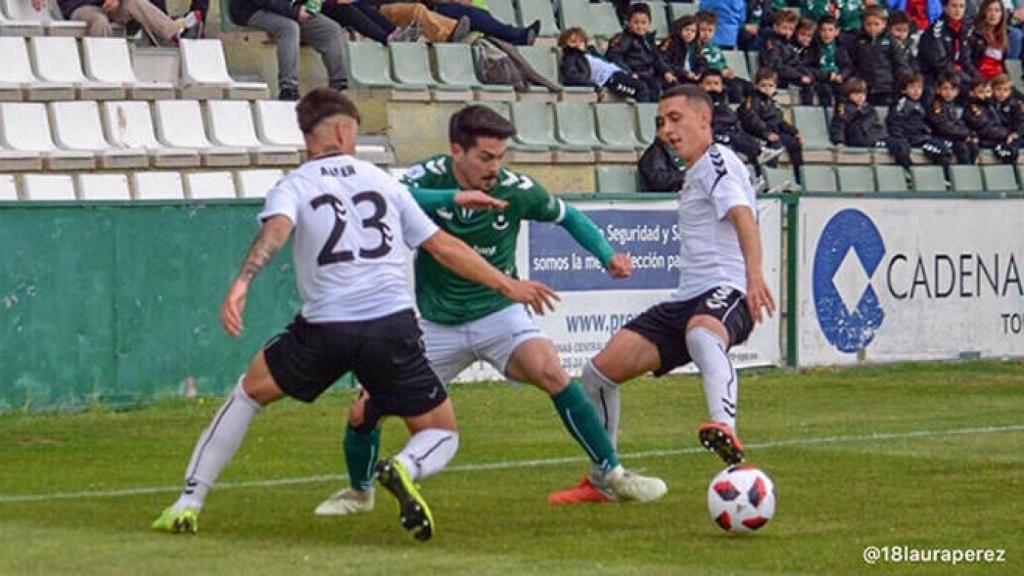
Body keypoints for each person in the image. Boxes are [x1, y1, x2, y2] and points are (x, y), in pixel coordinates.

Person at [150, 90, 557, 541]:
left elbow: (276, 231)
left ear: (309, 137)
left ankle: (189, 501)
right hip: (392, 325)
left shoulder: (296, 184)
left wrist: (244, 281)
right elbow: (442, 247)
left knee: (247, 396)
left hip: (326, 328)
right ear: (346, 131)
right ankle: (404, 465)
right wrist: (507, 284)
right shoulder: (383, 181)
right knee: (442, 432)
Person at [314, 105, 669, 514]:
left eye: (501, 156)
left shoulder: (515, 188)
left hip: (499, 313)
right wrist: (453, 197)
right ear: (456, 151)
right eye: (485, 157)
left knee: (551, 370)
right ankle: (360, 493)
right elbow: (388, 197)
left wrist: (607, 256)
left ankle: (611, 473)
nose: (495, 167)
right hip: (437, 324)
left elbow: (567, 216)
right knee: (366, 407)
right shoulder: (426, 178)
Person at [548, 84, 776, 504]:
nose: (666, 129)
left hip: (726, 291)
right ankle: (603, 480)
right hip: (687, 298)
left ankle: (723, 426)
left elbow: (743, 216)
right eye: (660, 122)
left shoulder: (718, 160)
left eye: (675, 119)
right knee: (597, 375)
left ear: (704, 119)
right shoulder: (696, 171)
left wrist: (754, 276)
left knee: (703, 333)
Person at [229, 0, 349, 100]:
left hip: (290, 10)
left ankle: (338, 86)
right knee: (289, 28)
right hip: (253, 10)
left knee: (330, 29)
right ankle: (288, 89)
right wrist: (294, 12)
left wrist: (310, 6)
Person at [739, 68, 805, 183]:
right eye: (763, 85)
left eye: (770, 86)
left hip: (775, 132)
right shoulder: (752, 100)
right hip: (759, 134)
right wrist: (766, 133)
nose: (767, 89)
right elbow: (752, 120)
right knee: (775, 145)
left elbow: (780, 121)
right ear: (756, 86)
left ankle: (799, 176)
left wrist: (794, 131)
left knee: (794, 143)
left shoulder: (773, 103)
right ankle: (768, 177)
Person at [606, 3, 678, 100]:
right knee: (644, 89)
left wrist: (666, 72)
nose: (640, 26)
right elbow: (614, 56)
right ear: (629, 22)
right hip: (633, 75)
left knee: (674, 86)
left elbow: (657, 58)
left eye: (643, 23)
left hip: (648, 75)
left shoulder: (648, 39)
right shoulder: (625, 39)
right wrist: (629, 73)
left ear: (649, 23)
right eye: (636, 22)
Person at [560, 27, 653, 101]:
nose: (578, 44)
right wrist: (593, 85)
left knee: (653, 85)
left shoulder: (591, 53)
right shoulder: (571, 56)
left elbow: (608, 62)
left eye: (581, 41)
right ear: (565, 45)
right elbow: (571, 75)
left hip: (619, 74)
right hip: (610, 80)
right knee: (642, 89)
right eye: (573, 42)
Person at [886, 73, 955, 173]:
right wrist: (901, 138)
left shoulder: (920, 104)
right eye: (912, 87)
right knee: (941, 150)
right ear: (904, 89)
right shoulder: (902, 103)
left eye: (919, 87)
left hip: (923, 138)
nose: (916, 91)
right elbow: (894, 121)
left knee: (946, 149)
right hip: (912, 140)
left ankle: (944, 180)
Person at [848, 5, 911, 106]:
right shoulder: (858, 42)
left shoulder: (891, 42)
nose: (872, 28)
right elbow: (853, 64)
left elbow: (900, 64)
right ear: (863, 24)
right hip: (864, 90)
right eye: (869, 24)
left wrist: (900, 85)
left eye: (876, 24)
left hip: (886, 90)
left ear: (884, 24)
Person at [55, 0, 200, 41]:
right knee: (99, 21)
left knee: (134, 3)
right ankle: (102, 64)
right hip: (80, 8)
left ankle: (175, 34)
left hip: (106, 6)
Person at [919, 0, 976, 101]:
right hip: (934, 76)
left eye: (961, 6)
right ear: (945, 8)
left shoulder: (964, 29)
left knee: (983, 89)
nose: (958, 10)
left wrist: (978, 78)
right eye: (954, 6)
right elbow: (941, 63)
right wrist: (967, 79)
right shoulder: (936, 31)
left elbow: (965, 60)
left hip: (955, 75)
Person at [759, 9, 815, 104]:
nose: (787, 32)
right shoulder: (772, 43)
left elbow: (797, 63)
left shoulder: (788, 45)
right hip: (776, 78)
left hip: (790, 76)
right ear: (775, 27)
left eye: (791, 29)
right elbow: (775, 66)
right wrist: (799, 77)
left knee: (811, 84)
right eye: (784, 28)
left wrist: (807, 75)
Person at [696, 10, 753, 102]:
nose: (706, 34)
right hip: (711, 79)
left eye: (710, 30)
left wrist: (728, 70)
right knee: (736, 88)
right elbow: (700, 67)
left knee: (749, 86)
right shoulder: (695, 47)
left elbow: (721, 63)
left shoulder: (715, 46)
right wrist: (720, 72)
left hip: (723, 76)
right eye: (703, 30)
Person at [962, 77, 1020, 162]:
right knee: (1009, 153)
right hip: (984, 140)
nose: (985, 95)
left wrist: (1012, 134)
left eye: (988, 91)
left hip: (998, 139)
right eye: (981, 92)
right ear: (972, 93)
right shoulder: (974, 108)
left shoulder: (990, 106)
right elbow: (985, 128)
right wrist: (1006, 135)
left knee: (1013, 150)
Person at [928, 71, 980, 163]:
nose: (949, 92)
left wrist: (971, 134)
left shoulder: (952, 106)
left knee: (973, 146)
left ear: (957, 92)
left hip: (954, 137)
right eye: (945, 89)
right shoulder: (936, 106)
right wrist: (965, 135)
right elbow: (944, 127)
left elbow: (959, 123)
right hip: (940, 138)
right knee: (962, 147)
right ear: (938, 90)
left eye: (952, 89)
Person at [806, 15, 850, 107]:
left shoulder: (841, 47)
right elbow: (808, 67)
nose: (827, 33)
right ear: (818, 31)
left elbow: (848, 66)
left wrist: (842, 75)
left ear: (837, 31)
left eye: (830, 30)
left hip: (838, 80)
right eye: (823, 30)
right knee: (825, 91)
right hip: (821, 80)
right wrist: (827, 75)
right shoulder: (814, 47)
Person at [968, 0, 1010, 80]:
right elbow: (968, 62)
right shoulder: (974, 33)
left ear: (1002, 14)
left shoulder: (1005, 34)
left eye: (997, 10)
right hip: (979, 79)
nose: (993, 14)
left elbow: (1003, 64)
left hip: (998, 80)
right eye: (989, 10)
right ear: (983, 12)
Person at [659, 15, 702, 85]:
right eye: (686, 29)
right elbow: (665, 63)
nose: (689, 33)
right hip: (676, 76)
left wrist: (699, 72)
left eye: (693, 31)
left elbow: (702, 62)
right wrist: (685, 73)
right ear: (679, 29)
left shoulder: (695, 46)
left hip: (691, 77)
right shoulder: (671, 43)